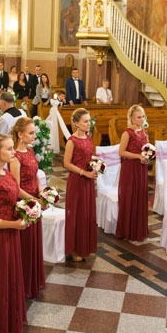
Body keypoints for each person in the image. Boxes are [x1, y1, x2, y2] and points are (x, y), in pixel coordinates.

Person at [0, 133, 37, 333]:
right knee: (0, 283)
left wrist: (35, 201)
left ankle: (9, 324)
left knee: (11, 279)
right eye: (9, 149)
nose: (13, 152)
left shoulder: (6, 172)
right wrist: (14, 225)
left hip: (11, 235)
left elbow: (16, 190)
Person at [9, 117, 46, 298]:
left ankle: (33, 281)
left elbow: (35, 175)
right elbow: (16, 188)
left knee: (34, 243)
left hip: (35, 200)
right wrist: (34, 200)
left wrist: (42, 193)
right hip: (25, 205)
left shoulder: (30, 150)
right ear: (20, 134)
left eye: (34, 133)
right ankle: (23, 285)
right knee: (26, 245)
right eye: (31, 133)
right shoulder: (15, 157)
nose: (34, 136)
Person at [63, 108, 98, 261]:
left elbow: (88, 157)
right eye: (85, 121)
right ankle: (74, 249)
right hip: (77, 181)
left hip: (88, 180)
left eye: (89, 121)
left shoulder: (88, 138)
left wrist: (96, 164)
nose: (88, 124)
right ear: (76, 123)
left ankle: (85, 246)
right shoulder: (72, 141)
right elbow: (66, 163)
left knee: (86, 214)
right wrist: (84, 173)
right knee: (76, 214)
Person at [116, 105, 151, 242]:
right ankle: (127, 230)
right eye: (139, 117)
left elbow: (147, 148)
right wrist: (138, 156)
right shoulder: (127, 133)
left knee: (140, 196)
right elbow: (121, 152)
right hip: (130, 169)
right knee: (130, 197)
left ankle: (138, 229)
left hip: (141, 168)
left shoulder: (144, 131)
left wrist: (148, 156)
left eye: (143, 116)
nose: (142, 119)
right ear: (131, 118)